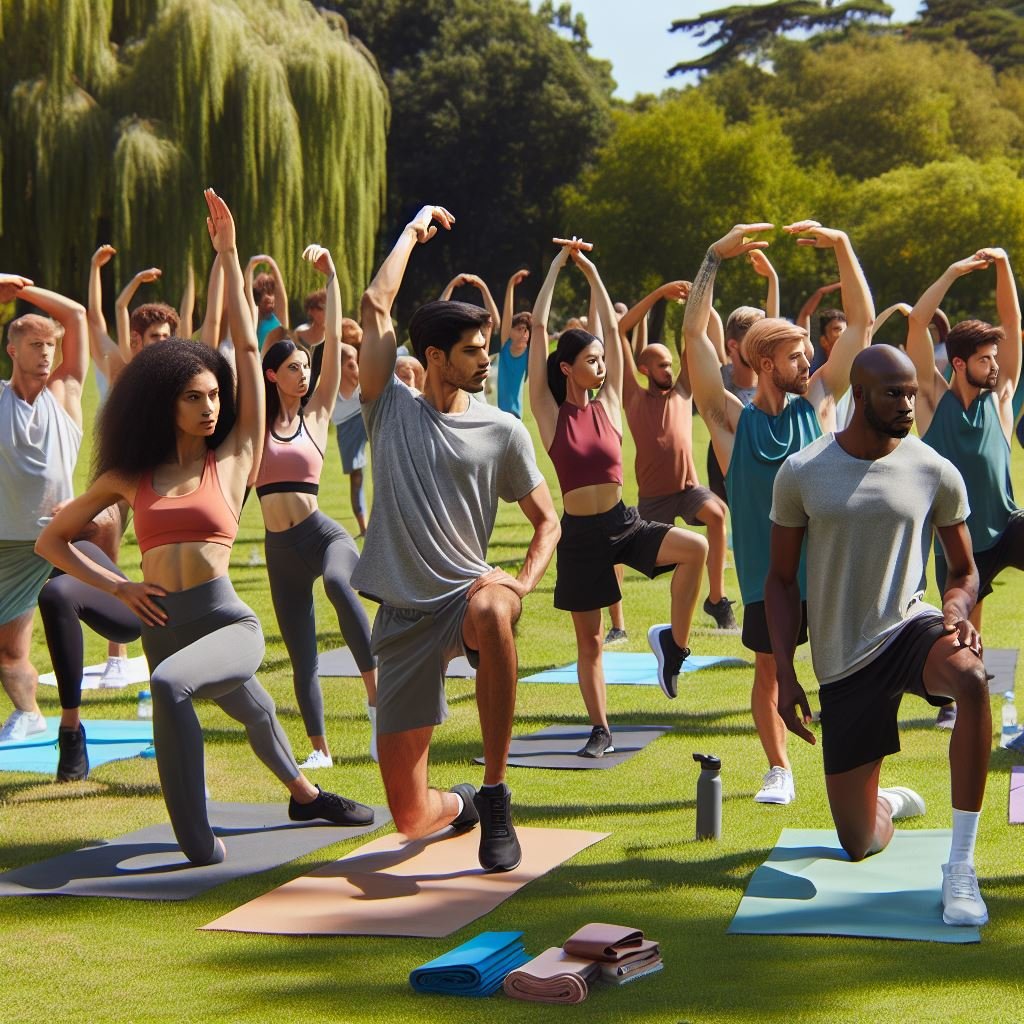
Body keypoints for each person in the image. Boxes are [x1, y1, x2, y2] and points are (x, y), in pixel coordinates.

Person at [37, 190, 372, 866]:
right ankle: (306, 795)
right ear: (167, 404)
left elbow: (247, 348)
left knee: (168, 688)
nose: (209, 406)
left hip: (225, 621)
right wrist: (120, 585)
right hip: (163, 620)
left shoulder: (237, 454)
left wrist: (226, 255)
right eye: (194, 397)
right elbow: (54, 541)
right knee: (253, 712)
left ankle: (198, 846)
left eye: (215, 396)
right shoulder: (130, 473)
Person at [352, 205, 559, 873]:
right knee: (409, 818)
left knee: (494, 608)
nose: (482, 361)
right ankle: (463, 804)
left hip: (467, 596)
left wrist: (521, 582)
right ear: (433, 356)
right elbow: (374, 305)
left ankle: (495, 790)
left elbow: (546, 520)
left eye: (484, 349)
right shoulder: (387, 404)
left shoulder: (503, 430)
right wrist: (413, 232)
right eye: (470, 351)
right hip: (404, 616)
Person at [766, 345, 991, 927]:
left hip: (909, 628)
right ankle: (884, 801)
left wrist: (956, 605)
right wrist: (786, 675)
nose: (908, 403)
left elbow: (965, 570)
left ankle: (961, 866)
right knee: (859, 841)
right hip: (842, 664)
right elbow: (781, 581)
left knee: (970, 678)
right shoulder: (803, 471)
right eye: (894, 393)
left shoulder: (933, 469)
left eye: (913, 392)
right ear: (859, 395)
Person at [685, 220, 873, 806]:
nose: (808, 359)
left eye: (808, 352)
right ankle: (779, 769)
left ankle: (860, 777)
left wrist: (843, 245)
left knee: (846, 675)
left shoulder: (817, 404)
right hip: (770, 581)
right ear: (763, 362)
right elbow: (694, 332)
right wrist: (714, 255)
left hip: (830, 573)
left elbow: (862, 325)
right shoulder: (730, 420)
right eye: (796, 355)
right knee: (769, 673)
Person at [528, 240, 708, 758]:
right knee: (588, 644)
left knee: (694, 550)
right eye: (590, 361)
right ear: (567, 368)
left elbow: (608, 326)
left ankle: (673, 643)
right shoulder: (549, 411)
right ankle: (600, 730)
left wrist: (591, 271)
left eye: (604, 361)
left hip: (622, 523)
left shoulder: (610, 402)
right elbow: (540, 331)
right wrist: (558, 264)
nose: (602, 366)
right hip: (580, 537)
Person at [256, 243, 377, 767]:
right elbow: (237, 342)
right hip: (279, 549)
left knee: (335, 582)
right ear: (271, 375)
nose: (304, 374)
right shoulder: (251, 428)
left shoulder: (319, 412)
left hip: (322, 536)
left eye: (306, 367)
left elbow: (331, 339)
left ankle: (380, 704)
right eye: (293, 368)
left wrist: (331, 277)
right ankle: (319, 750)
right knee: (301, 652)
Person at [906, 248, 1023, 635]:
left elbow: (1011, 319)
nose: (994, 366)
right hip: (957, 541)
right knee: (962, 632)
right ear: (959, 363)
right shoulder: (932, 401)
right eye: (984, 360)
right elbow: (918, 322)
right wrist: (952, 272)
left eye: (994, 358)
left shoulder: (1001, 400)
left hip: (1007, 528)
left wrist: (1004, 263)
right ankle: (957, 694)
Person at [617, 280, 737, 630]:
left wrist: (698, 297)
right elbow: (620, 331)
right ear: (644, 370)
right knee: (616, 547)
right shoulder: (633, 397)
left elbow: (694, 335)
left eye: (670, 364)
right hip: (653, 500)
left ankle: (716, 601)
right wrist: (657, 294)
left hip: (687, 490)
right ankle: (616, 621)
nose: (669, 370)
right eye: (661, 366)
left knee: (717, 513)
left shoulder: (684, 391)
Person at [0, 276, 87, 741]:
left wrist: (20, 289)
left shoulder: (65, 393)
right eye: (35, 344)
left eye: (51, 345)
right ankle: (30, 714)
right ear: (13, 350)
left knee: (126, 616)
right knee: (9, 650)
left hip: (55, 541)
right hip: (7, 545)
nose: (47, 353)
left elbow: (77, 315)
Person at [331, 341, 370, 538]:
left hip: (365, 413)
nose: (356, 368)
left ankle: (375, 525)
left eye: (356, 362)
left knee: (387, 465)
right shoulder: (328, 386)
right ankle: (364, 528)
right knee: (356, 478)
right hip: (346, 424)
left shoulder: (365, 384)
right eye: (351, 364)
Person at [495, 269, 532, 418]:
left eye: (526, 330)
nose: (523, 333)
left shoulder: (530, 354)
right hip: (497, 413)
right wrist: (511, 285)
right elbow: (508, 315)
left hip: (517, 415)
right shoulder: (505, 346)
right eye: (519, 329)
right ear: (510, 331)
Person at [247, 254, 289, 350]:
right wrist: (250, 267)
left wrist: (270, 262)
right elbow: (248, 292)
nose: (268, 297)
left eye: (271, 292)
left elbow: (282, 298)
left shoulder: (278, 318)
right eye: (262, 294)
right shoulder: (252, 318)